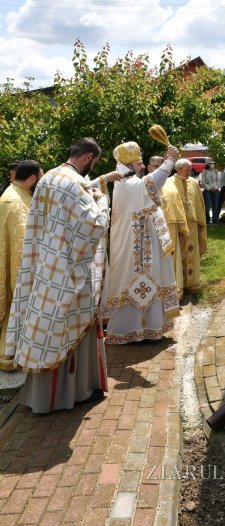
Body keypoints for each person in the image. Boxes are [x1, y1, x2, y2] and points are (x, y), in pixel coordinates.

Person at [5, 138, 118, 413]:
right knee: (69, 328)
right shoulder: (75, 184)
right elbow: (93, 225)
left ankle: (42, 397)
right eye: (94, 162)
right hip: (70, 272)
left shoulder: (49, 178)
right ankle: (73, 394)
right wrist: (104, 201)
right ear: (89, 157)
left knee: (48, 330)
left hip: (46, 268)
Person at [103, 141, 180, 344]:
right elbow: (152, 183)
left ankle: (149, 328)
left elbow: (147, 182)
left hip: (144, 244)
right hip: (133, 249)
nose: (143, 166)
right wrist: (170, 160)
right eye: (138, 164)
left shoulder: (129, 183)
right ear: (128, 165)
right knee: (132, 282)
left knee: (151, 279)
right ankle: (129, 329)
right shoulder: (126, 184)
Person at [0, 160, 43, 371]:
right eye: (40, 178)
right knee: (15, 309)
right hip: (19, 274)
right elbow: (20, 249)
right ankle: (11, 354)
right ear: (32, 178)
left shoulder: (18, 194)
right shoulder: (13, 202)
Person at [161, 159, 207, 296]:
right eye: (187, 170)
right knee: (179, 256)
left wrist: (200, 222)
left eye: (190, 169)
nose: (190, 172)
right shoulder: (168, 183)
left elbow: (199, 202)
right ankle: (179, 288)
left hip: (192, 225)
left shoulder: (193, 182)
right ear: (179, 169)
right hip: (178, 227)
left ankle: (192, 284)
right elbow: (166, 204)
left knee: (192, 254)